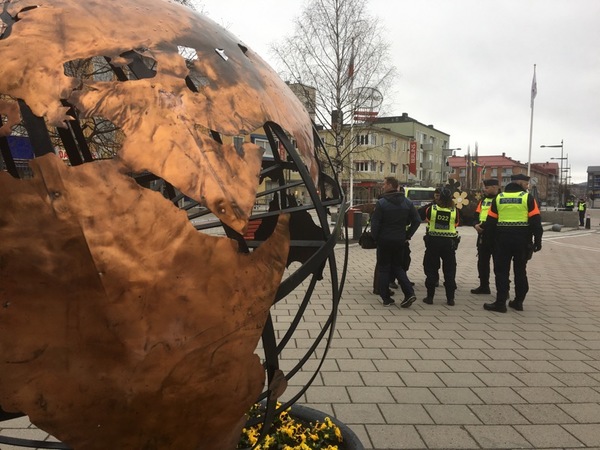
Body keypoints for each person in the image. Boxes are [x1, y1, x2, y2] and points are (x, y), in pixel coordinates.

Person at [483, 173, 543, 312]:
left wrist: (488, 241)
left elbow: (491, 223)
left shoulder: (499, 198)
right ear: (520, 186)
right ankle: (518, 301)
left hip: (502, 240)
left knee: (502, 271)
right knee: (520, 271)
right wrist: (538, 240)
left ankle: (500, 303)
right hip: (522, 240)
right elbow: (535, 221)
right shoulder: (527, 198)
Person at [371, 177, 421, 307]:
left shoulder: (381, 203)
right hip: (400, 240)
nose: (383, 186)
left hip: (384, 240)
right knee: (398, 267)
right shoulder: (407, 203)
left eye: (384, 184)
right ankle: (409, 293)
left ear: (390, 185)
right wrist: (408, 235)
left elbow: (375, 223)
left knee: (384, 268)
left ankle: (386, 298)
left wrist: (376, 238)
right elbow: (417, 221)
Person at [422, 186, 460, 306]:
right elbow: (456, 223)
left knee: (431, 269)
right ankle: (450, 299)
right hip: (449, 243)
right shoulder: (454, 211)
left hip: (433, 242)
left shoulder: (431, 209)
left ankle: (430, 297)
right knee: (449, 271)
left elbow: (427, 219)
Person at [471, 179, 500, 294]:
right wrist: (475, 225)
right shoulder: (483, 201)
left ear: (494, 187)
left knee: (499, 264)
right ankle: (484, 286)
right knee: (482, 262)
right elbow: (476, 215)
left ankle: (503, 289)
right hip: (483, 234)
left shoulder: (500, 199)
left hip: (496, 235)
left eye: (487, 188)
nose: (484, 189)